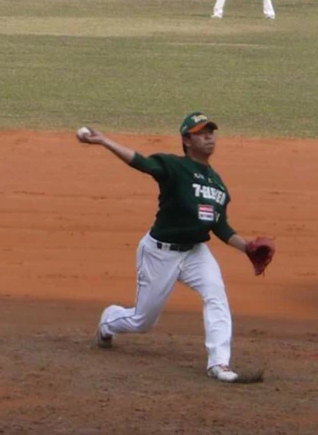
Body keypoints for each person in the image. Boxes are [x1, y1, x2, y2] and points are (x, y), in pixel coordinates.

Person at [78, 112, 270, 382]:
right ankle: (108, 321)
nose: (208, 137)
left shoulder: (218, 185)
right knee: (143, 322)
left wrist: (247, 247)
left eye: (211, 132)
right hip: (160, 252)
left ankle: (219, 363)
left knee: (216, 295)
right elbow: (142, 163)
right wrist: (105, 141)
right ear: (186, 140)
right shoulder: (172, 166)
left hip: (195, 252)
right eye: (201, 133)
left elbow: (220, 227)